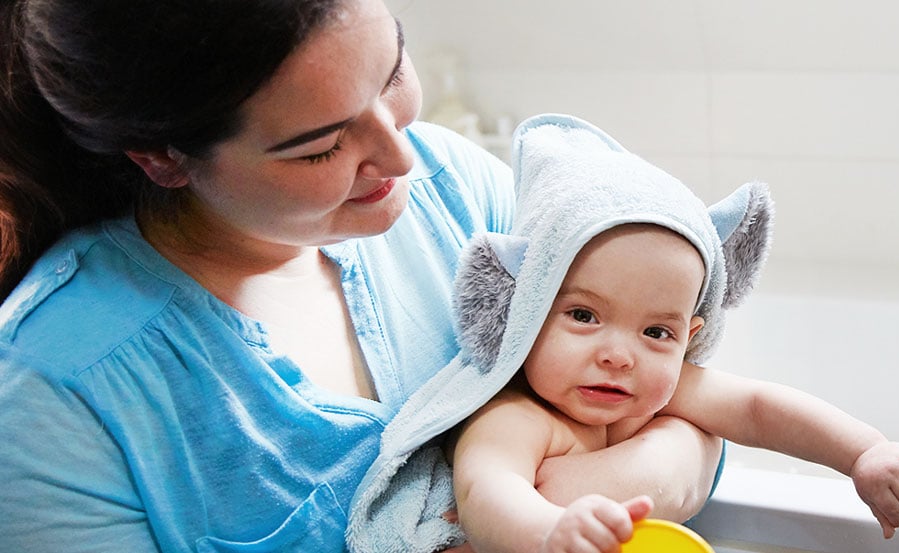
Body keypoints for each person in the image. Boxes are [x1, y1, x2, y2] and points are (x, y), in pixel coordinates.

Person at [0, 2, 722, 551]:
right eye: (321, 148)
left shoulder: (460, 191)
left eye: (393, 71)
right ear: (161, 156)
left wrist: (514, 501)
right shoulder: (60, 387)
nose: (400, 155)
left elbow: (694, 415)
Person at [447, 115, 899, 553]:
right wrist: (549, 531)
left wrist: (864, 452)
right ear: (525, 313)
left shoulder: (663, 387)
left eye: (655, 331)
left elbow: (758, 408)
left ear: (690, 335)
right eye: (584, 316)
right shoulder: (517, 416)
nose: (619, 356)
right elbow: (485, 490)